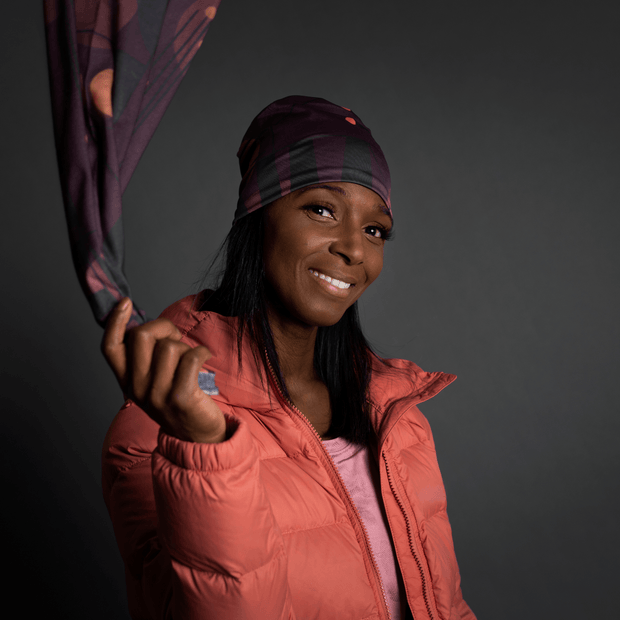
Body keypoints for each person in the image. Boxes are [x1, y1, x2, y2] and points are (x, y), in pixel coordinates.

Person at [101, 96, 476, 620]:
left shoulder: (399, 418)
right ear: (259, 214)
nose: (355, 250)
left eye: (375, 230)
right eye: (322, 209)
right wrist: (205, 448)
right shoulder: (160, 423)